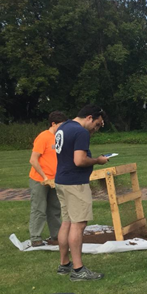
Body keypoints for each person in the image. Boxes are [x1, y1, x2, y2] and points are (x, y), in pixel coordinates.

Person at [54, 105, 109, 281]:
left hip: (61, 180)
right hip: (75, 183)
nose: (97, 128)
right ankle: (78, 270)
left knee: (67, 223)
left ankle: (64, 264)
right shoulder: (81, 132)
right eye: (98, 124)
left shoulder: (63, 127)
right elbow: (79, 160)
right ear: (89, 117)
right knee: (78, 225)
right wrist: (98, 161)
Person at [28, 111, 68, 247]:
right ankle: (35, 237)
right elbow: (33, 160)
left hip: (55, 180)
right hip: (39, 179)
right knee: (39, 208)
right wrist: (44, 176)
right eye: (61, 125)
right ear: (53, 124)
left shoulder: (59, 138)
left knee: (55, 208)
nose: (63, 128)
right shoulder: (43, 137)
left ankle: (56, 235)